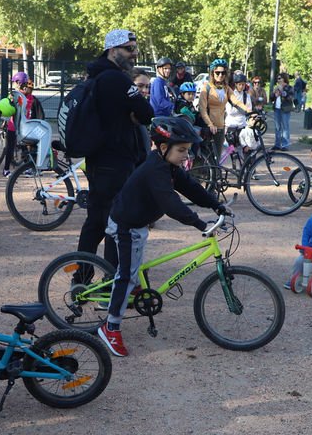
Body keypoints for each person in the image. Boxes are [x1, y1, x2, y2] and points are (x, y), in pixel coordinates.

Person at [95, 116, 226, 357]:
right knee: (126, 275)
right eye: (182, 150)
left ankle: (132, 289)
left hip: (137, 224)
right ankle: (110, 326)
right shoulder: (156, 170)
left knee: (134, 268)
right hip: (126, 225)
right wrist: (199, 223)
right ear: (164, 148)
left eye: (188, 150)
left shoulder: (169, 166)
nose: (187, 155)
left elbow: (191, 188)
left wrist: (216, 205)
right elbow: (171, 204)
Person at [76, 29, 154, 268]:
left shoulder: (96, 76)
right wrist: (132, 114)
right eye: (129, 49)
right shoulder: (116, 79)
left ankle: (81, 278)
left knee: (96, 223)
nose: (134, 54)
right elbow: (147, 113)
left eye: (136, 49)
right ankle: (112, 285)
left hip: (99, 160)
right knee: (116, 222)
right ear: (112, 50)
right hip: (116, 161)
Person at [1, 72, 40, 176]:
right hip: (24, 126)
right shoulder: (29, 96)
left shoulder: (14, 95)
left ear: (18, 82)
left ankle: (6, 170)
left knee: (10, 148)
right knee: (24, 147)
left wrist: (4, 121)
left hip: (13, 125)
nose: (13, 84)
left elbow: (7, 110)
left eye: (14, 82)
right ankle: (28, 168)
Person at [197, 58, 230, 159]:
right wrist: (210, 124)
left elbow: (236, 101)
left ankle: (217, 174)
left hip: (220, 127)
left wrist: (250, 111)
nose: (220, 75)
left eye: (223, 73)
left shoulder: (226, 88)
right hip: (209, 127)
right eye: (217, 72)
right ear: (212, 73)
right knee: (208, 158)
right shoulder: (206, 88)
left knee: (217, 158)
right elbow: (202, 109)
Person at [224, 73, 253, 161]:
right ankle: (231, 164)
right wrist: (242, 110)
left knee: (243, 148)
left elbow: (249, 109)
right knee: (231, 149)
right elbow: (230, 111)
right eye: (239, 84)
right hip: (231, 126)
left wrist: (244, 111)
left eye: (243, 84)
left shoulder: (246, 96)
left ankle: (244, 168)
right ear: (236, 84)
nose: (241, 86)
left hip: (242, 125)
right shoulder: (231, 95)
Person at [271, 73, 296, 150]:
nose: (278, 80)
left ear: (284, 79)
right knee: (277, 127)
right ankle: (277, 144)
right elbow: (271, 98)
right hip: (277, 109)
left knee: (285, 127)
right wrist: (274, 94)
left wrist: (282, 91)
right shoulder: (276, 87)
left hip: (285, 109)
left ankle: (285, 145)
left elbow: (290, 98)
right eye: (277, 78)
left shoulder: (289, 87)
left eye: (279, 78)